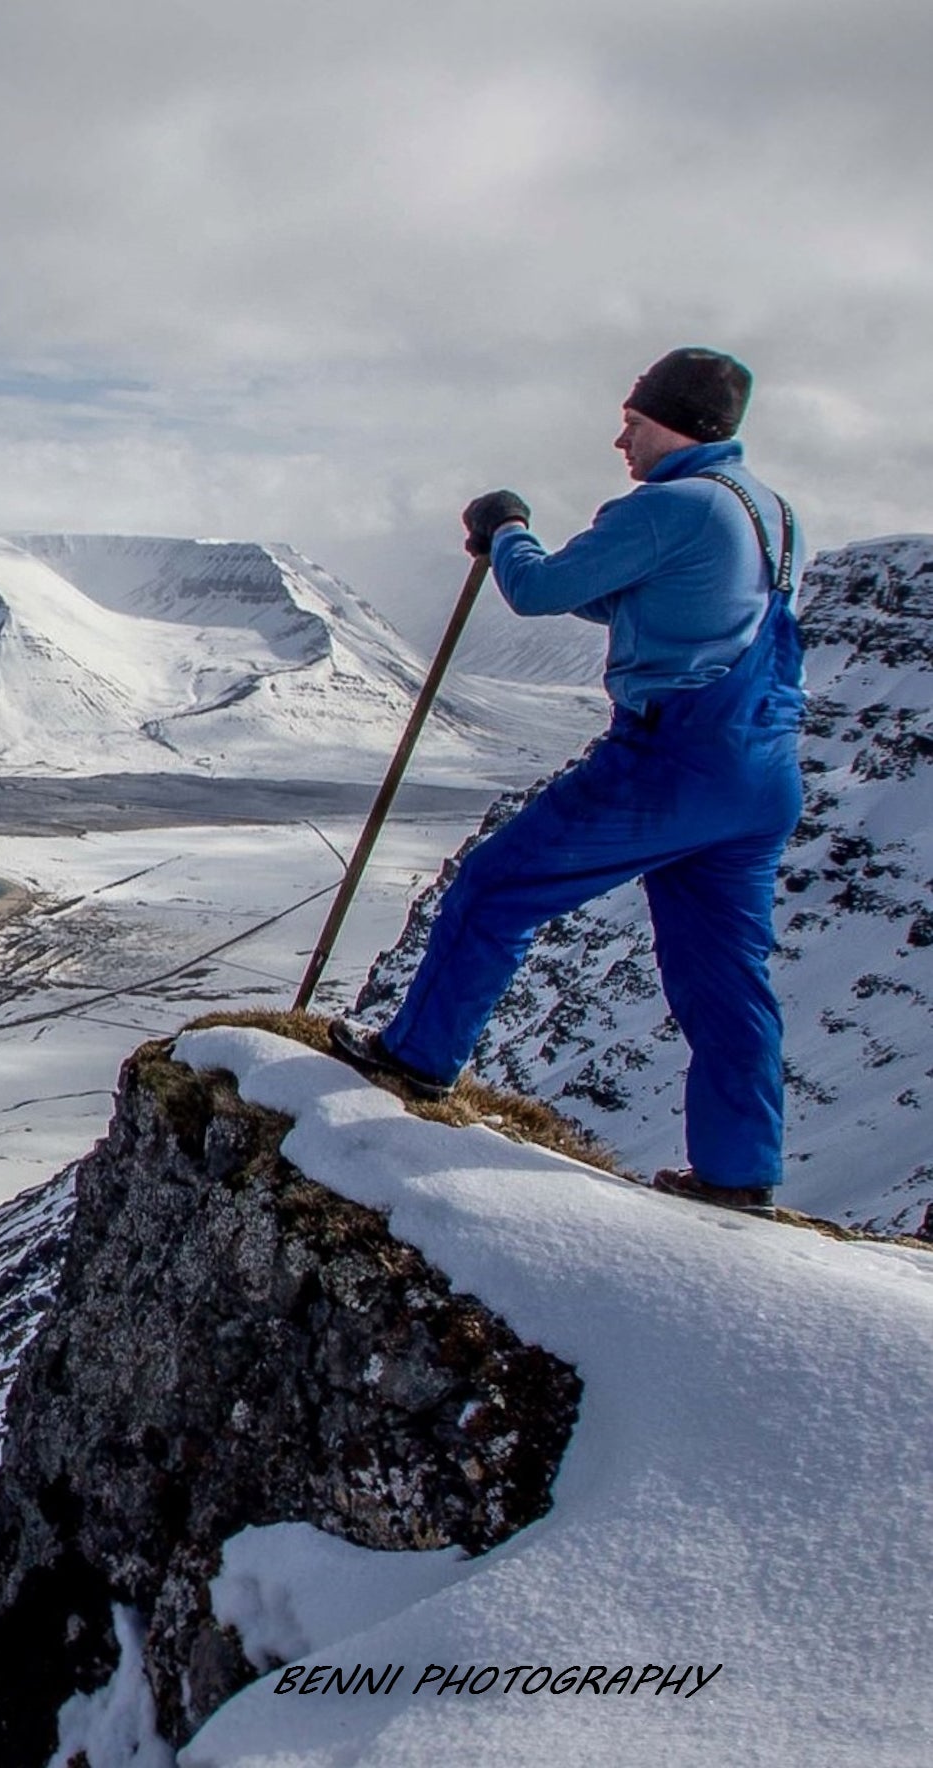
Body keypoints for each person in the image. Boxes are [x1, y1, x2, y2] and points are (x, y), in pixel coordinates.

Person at [330, 346, 804, 1212]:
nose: (619, 439)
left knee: (497, 885)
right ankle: (740, 1173)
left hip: (671, 759)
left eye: (633, 422)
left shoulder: (674, 504)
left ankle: (418, 1059)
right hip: (762, 769)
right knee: (727, 978)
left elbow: (543, 592)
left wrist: (505, 527)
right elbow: (634, 595)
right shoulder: (768, 511)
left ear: (678, 424)